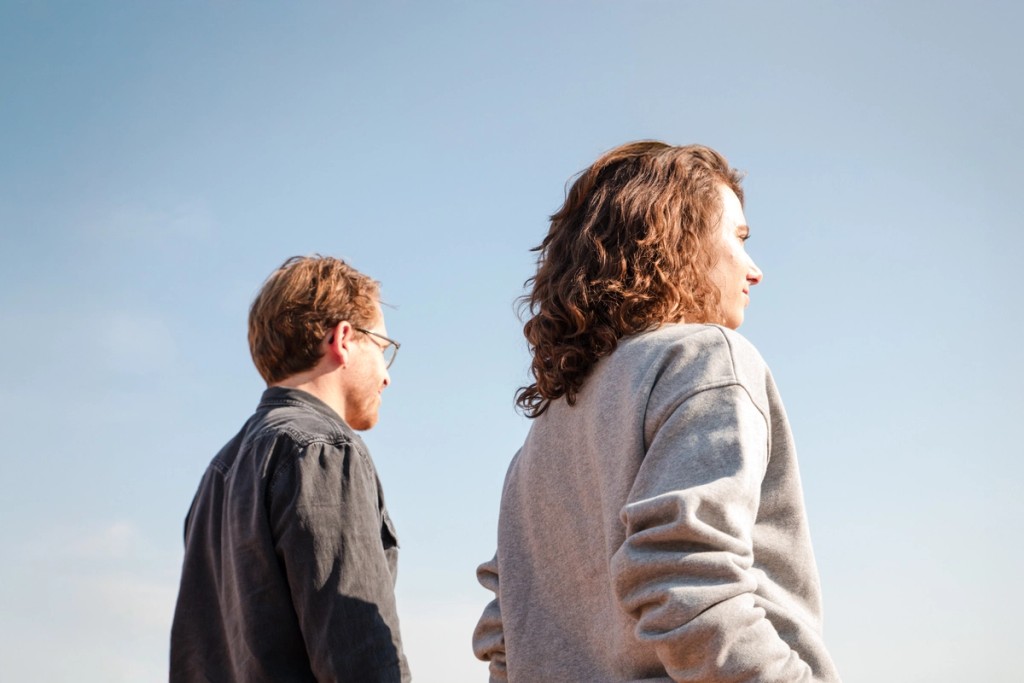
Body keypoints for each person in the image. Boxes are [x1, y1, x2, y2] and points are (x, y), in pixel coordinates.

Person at [473, 142, 841, 682]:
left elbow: (504, 633)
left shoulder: (539, 440)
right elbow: (690, 580)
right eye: (739, 239)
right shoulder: (706, 357)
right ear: (680, 239)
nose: (755, 270)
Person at [171, 255, 411, 682]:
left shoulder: (217, 477)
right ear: (343, 339)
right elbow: (360, 660)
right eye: (382, 348)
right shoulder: (324, 450)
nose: (387, 377)